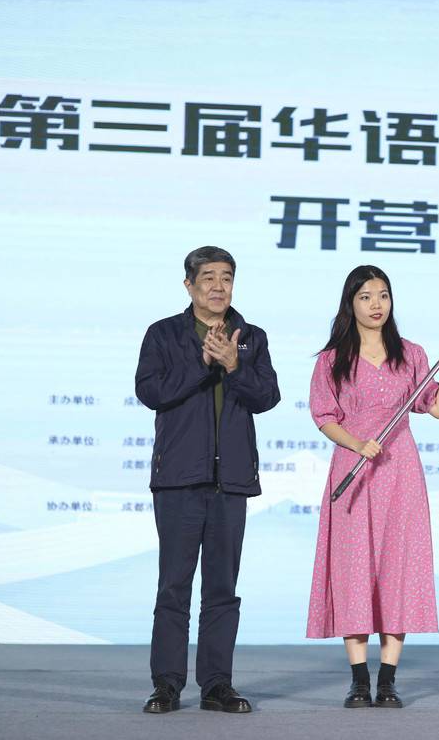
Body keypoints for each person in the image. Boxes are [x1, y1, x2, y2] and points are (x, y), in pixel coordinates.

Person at [306, 265, 439, 709]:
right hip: (354, 470)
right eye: (366, 297)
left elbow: (436, 408)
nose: (376, 305)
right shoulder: (332, 359)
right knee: (353, 571)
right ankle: (359, 680)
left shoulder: (411, 354)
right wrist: (357, 443)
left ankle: (389, 680)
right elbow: (324, 417)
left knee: (399, 570)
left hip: (400, 474)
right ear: (350, 304)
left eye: (383, 295)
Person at [135, 246, 280, 713]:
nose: (219, 286)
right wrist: (202, 363)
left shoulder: (250, 337)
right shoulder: (163, 334)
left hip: (230, 481)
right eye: (209, 277)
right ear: (189, 284)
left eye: (227, 278)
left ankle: (217, 685)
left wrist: (234, 366)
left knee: (222, 590)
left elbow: (268, 396)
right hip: (179, 479)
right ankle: (166, 685)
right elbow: (150, 391)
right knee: (173, 588)